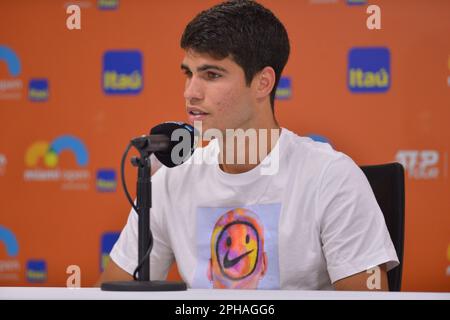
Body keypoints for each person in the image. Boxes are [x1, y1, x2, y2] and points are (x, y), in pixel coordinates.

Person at [97, 0, 399, 290]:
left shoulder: (330, 178)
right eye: (189, 73)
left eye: (211, 75)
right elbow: (109, 292)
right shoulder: (169, 181)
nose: (191, 93)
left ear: (262, 83)